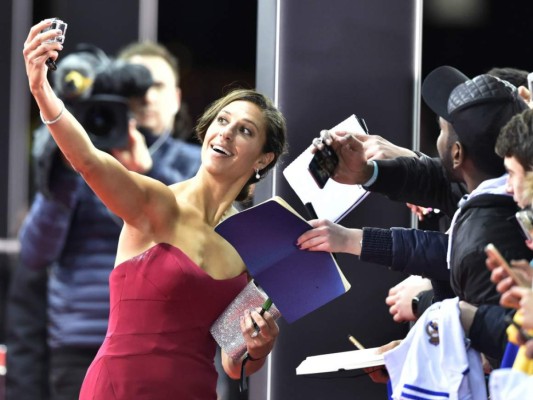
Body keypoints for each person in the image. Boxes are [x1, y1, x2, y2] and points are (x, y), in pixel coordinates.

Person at [23, 19, 286, 398]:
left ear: (263, 159)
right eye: (222, 120)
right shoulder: (157, 202)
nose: (226, 132)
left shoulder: (251, 243)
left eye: (245, 130)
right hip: (119, 389)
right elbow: (89, 161)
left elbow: (234, 359)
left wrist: (258, 349)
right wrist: (40, 88)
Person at [8, 40, 203, 400]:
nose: (143, 98)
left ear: (176, 98)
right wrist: (68, 173)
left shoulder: (195, 166)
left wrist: (147, 176)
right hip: (81, 345)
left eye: (155, 86)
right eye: (132, 89)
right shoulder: (81, 157)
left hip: (164, 347)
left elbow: (201, 249)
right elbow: (35, 254)